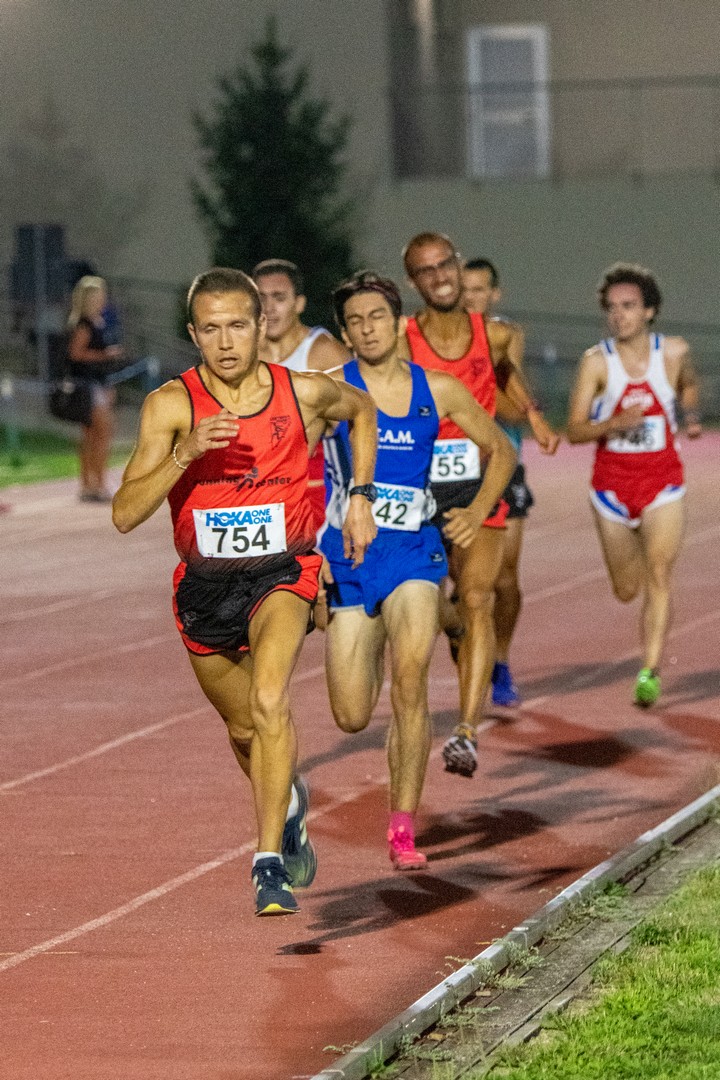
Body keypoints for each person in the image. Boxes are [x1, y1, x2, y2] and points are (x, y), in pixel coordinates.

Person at [112, 268, 377, 916]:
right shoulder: (171, 406)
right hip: (205, 587)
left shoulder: (303, 392)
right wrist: (185, 455)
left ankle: (267, 864)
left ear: (263, 326)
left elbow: (363, 410)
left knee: (268, 699)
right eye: (211, 329)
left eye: (238, 325)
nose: (226, 341)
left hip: (283, 573)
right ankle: (287, 802)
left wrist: (361, 496)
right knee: (242, 729)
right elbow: (124, 513)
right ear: (193, 333)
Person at [321, 271, 515, 867]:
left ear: (397, 322)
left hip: (414, 553)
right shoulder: (329, 390)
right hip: (350, 558)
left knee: (411, 678)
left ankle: (403, 829)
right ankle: (415, 626)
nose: (367, 329)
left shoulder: (439, 389)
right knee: (351, 715)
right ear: (345, 332)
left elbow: (501, 449)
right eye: (355, 321)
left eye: (377, 317)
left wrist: (476, 512)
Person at [401, 232, 560, 778]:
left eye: (445, 264)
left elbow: (508, 376)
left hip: (479, 481)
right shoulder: (401, 339)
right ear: (414, 282)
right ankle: (456, 632)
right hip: (419, 490)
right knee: (432, 606)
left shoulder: (494, 335)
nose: (439, 276)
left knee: (478, 596)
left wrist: (534, 417)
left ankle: (466, 732)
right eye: (426, 270)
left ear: (458, 265)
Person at [567, 262, 702, 707]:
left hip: (663, 482)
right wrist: (614, 423)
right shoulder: (596, 362)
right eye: (612, 308)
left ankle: (650, 671)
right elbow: (574, 430)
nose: (619, 315)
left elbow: (689, 385)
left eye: (628, 306)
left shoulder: (674, 352)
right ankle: (640, 549)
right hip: (611, 489)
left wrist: (690, 416)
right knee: (627, 589)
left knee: (660, 574)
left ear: (649, 311)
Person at [462, 258, 533, 707]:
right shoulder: (433, 338)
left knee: (505, 579)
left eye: (479, 289)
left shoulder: (506, 336)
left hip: (502, 465)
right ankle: (467, 644)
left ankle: (501, 660)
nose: (471, 297)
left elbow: (513, 408)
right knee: (457, 582)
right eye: (464, 288)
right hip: (451, 470)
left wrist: (470, 390)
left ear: (494, 295)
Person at [252, 259, 350, 533]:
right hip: (258, 489)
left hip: (317, 494)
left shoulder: (324, 353)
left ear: (299, 303)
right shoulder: (243, 355)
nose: (269, 308)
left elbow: (357, 429)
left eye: (279, 298)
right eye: (261, 298)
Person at [66, 275, 124, 502]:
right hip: (89, 387)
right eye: (98, 296)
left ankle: (90, 483)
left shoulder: (96, 321)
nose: (102, 300)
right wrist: (105, 354)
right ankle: (96, 483)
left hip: (97, 384)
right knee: (100, 434)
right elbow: (76, 354)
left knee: (92, 435)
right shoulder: (84, 324)